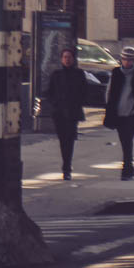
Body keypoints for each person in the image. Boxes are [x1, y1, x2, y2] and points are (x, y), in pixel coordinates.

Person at [103, 46, 134, 179]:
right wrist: (109, 107)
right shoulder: (116, 74)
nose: (127, 62)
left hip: (133, 113)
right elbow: (109, 92)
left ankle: (126, 168)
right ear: (121, 59)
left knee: (127, 140)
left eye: (130, 60)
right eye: (125, 59)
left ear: (133, 61)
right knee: (125, 140)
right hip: (119, 113)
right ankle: (129, 167)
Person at [44, 47, 86, 179]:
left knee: (70, 139)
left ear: (73, 59)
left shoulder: (79, 74)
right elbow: (49, 92)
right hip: (59, 113)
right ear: (61, 59)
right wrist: (55, 104)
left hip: (73, 112)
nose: (67, 60)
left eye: (69, 57)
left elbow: (84, 92)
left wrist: (77, 102)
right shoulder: (56, 75)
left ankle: (67, 167)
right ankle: (66, 164)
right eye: (65, 57)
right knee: (63, 140)